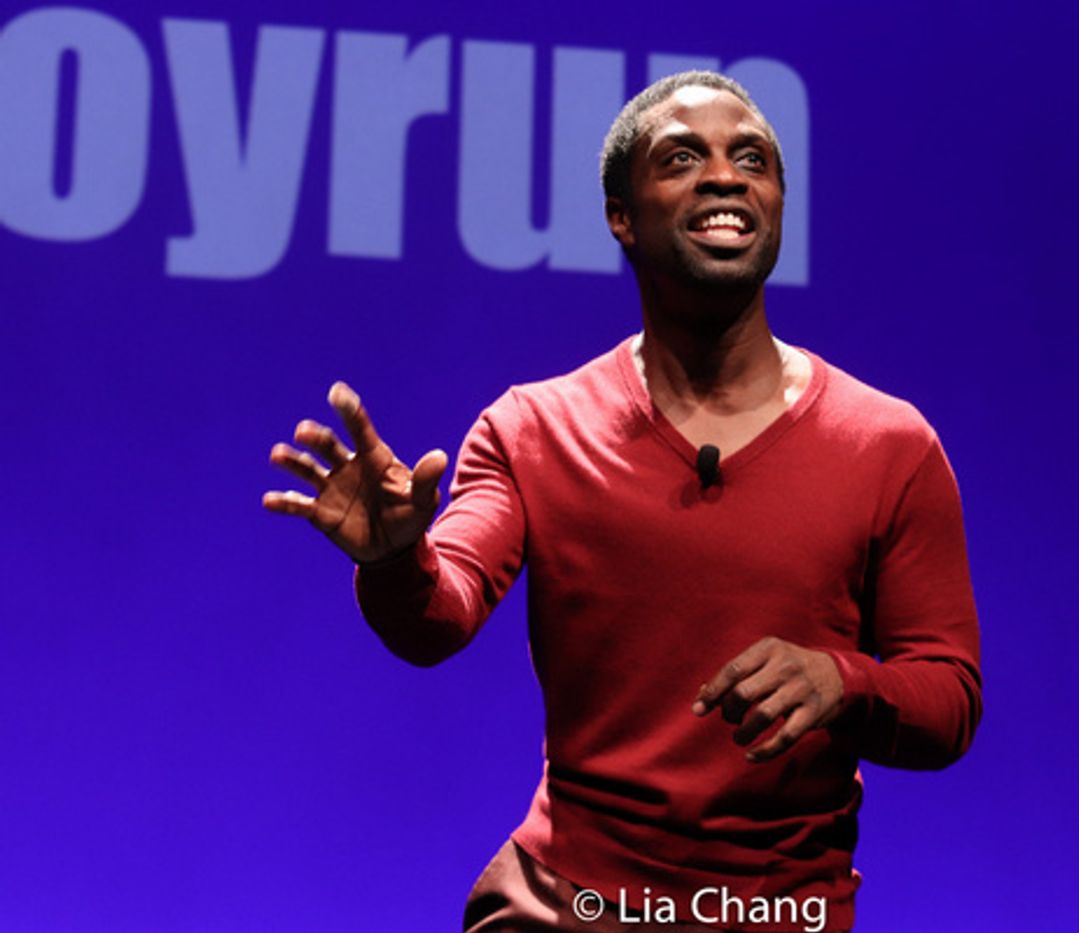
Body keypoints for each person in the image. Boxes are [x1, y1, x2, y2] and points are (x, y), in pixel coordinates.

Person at [264, 71, 981, 933]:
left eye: (750, 158)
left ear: (779, 205)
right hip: (568, 908)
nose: (725, 176)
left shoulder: (889, 445)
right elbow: (438, 617)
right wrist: (391, 563)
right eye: (683, 158)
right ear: (622, 217)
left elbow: (947, 699)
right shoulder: (534, 427)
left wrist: (843, 679)